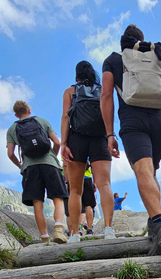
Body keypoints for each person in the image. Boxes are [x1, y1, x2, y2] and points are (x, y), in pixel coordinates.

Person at [101, 24, 161, 255]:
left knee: (142, 171)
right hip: (159, 119)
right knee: (152, 173)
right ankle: (157, 228)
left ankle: (157, 223)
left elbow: (106, 96)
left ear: (123, 42)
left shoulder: (113, 60)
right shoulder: (156, 58)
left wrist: (109, 134)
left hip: (133, 120)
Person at [61, 61, 117, 244]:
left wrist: (64, 143)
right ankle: (109, 229)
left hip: (77, 138)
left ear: (76, 75)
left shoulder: (70, 91)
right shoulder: (102, 90)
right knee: (104, 185)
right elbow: (109, 113)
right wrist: (110, 136)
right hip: (100, 138)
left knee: (75, 190)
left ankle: (75, 234)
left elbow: (65, 117)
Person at [6, 100, 68, 244]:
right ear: (29, 111)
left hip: (30, 167)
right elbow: (57, 143)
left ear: (16, 114)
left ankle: (45, 237)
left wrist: (20, 165)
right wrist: (53, 155)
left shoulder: (12, 129)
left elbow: (10, 154)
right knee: (58, 198)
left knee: (37, 202)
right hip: (50, 164)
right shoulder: (41, 121)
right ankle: (58, 229)